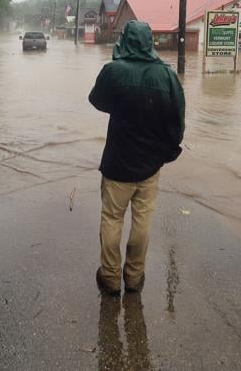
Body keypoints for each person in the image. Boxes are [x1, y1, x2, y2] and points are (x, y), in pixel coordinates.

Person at [88, 20, 185, 296]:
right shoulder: (167, 75)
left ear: (125, 40)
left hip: (117, 163)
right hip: (150, 166)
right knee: (142, 221)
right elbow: (177, 121)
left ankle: (109, 277)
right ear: (149, 41)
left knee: (111, 219)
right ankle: (134, 277)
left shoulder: (113, 71)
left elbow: (97, 101)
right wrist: (166, 152)